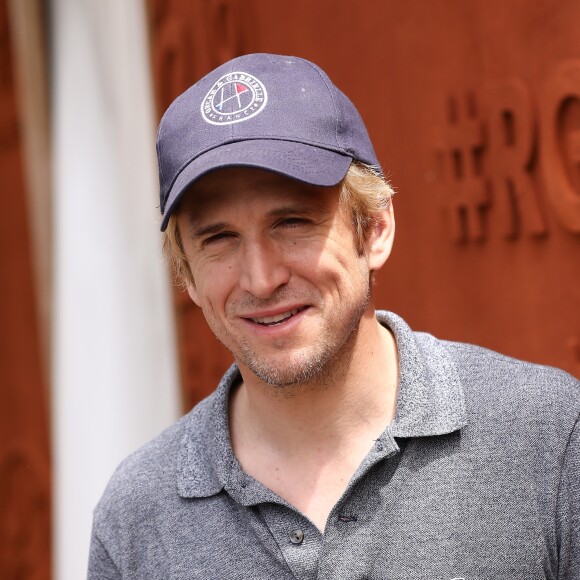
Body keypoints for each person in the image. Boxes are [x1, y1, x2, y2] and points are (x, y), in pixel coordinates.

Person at [88, 53, 580, 579]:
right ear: (185, 273)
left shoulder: (547, 440)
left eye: (292, 222)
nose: (260, 278)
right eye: (219, 238)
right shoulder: (135, 519)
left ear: (375, 229)